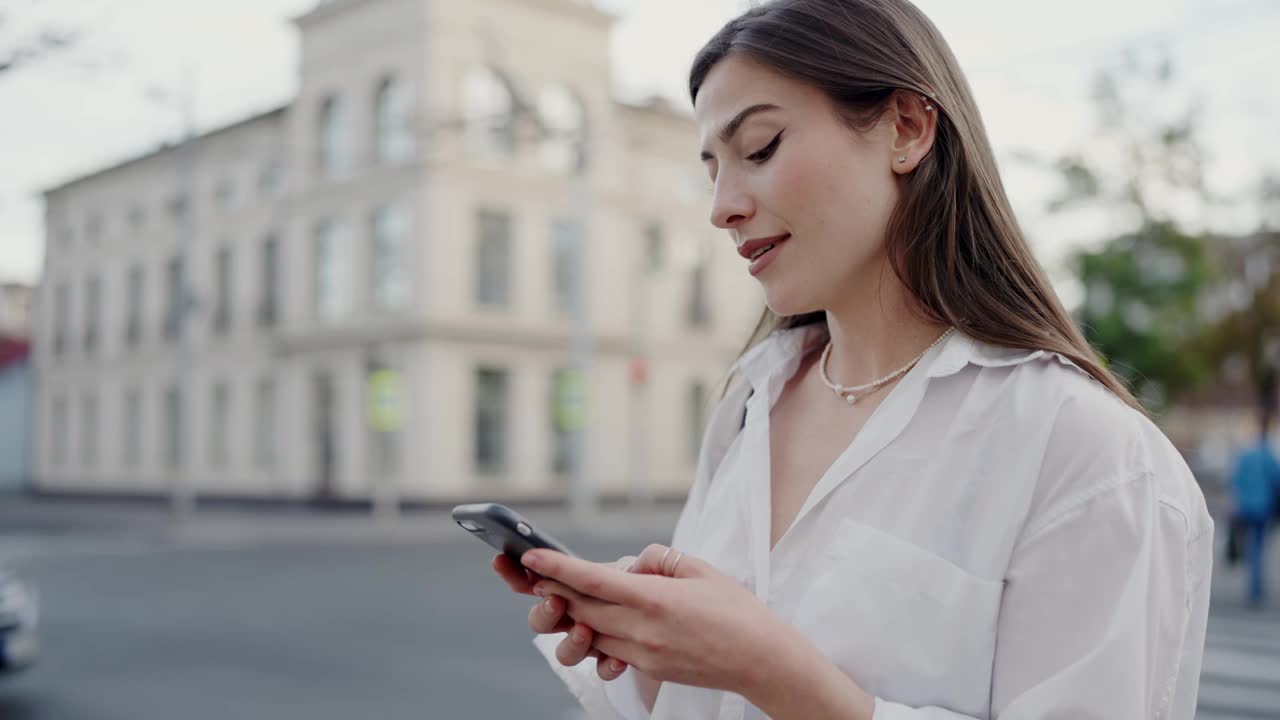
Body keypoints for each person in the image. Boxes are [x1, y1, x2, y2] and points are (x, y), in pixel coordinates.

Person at [492, 1, 1213, 717]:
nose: (721, 206)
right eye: (710, 168)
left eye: (761, 147)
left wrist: (770, 669)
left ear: (906, 128)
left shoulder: (1089, 454)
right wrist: (657, 647)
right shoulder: (749, 406)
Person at [1230, 409, 1279, 608]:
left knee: (1249, 545)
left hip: (1245, 506)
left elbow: (1235, 480)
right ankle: (1256, 587)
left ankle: (1253, 584)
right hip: (1263, 507)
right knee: (1259, 546)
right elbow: (1277, 481)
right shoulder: (1269, 455)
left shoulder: (1245, 454)